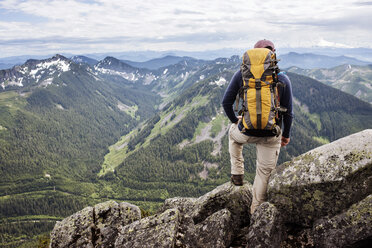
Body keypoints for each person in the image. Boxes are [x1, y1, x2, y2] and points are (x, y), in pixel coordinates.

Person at [222, 39, 293, 214]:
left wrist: (235, 120)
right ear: (273, 55)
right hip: (271, 135)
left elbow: (226, 103)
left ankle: (237, 173)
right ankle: (256, 215)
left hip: (246, 131)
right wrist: (286, 135)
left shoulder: (242, 74)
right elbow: (289, 113)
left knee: (232, 134)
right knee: (263, 174)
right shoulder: (282, 78)